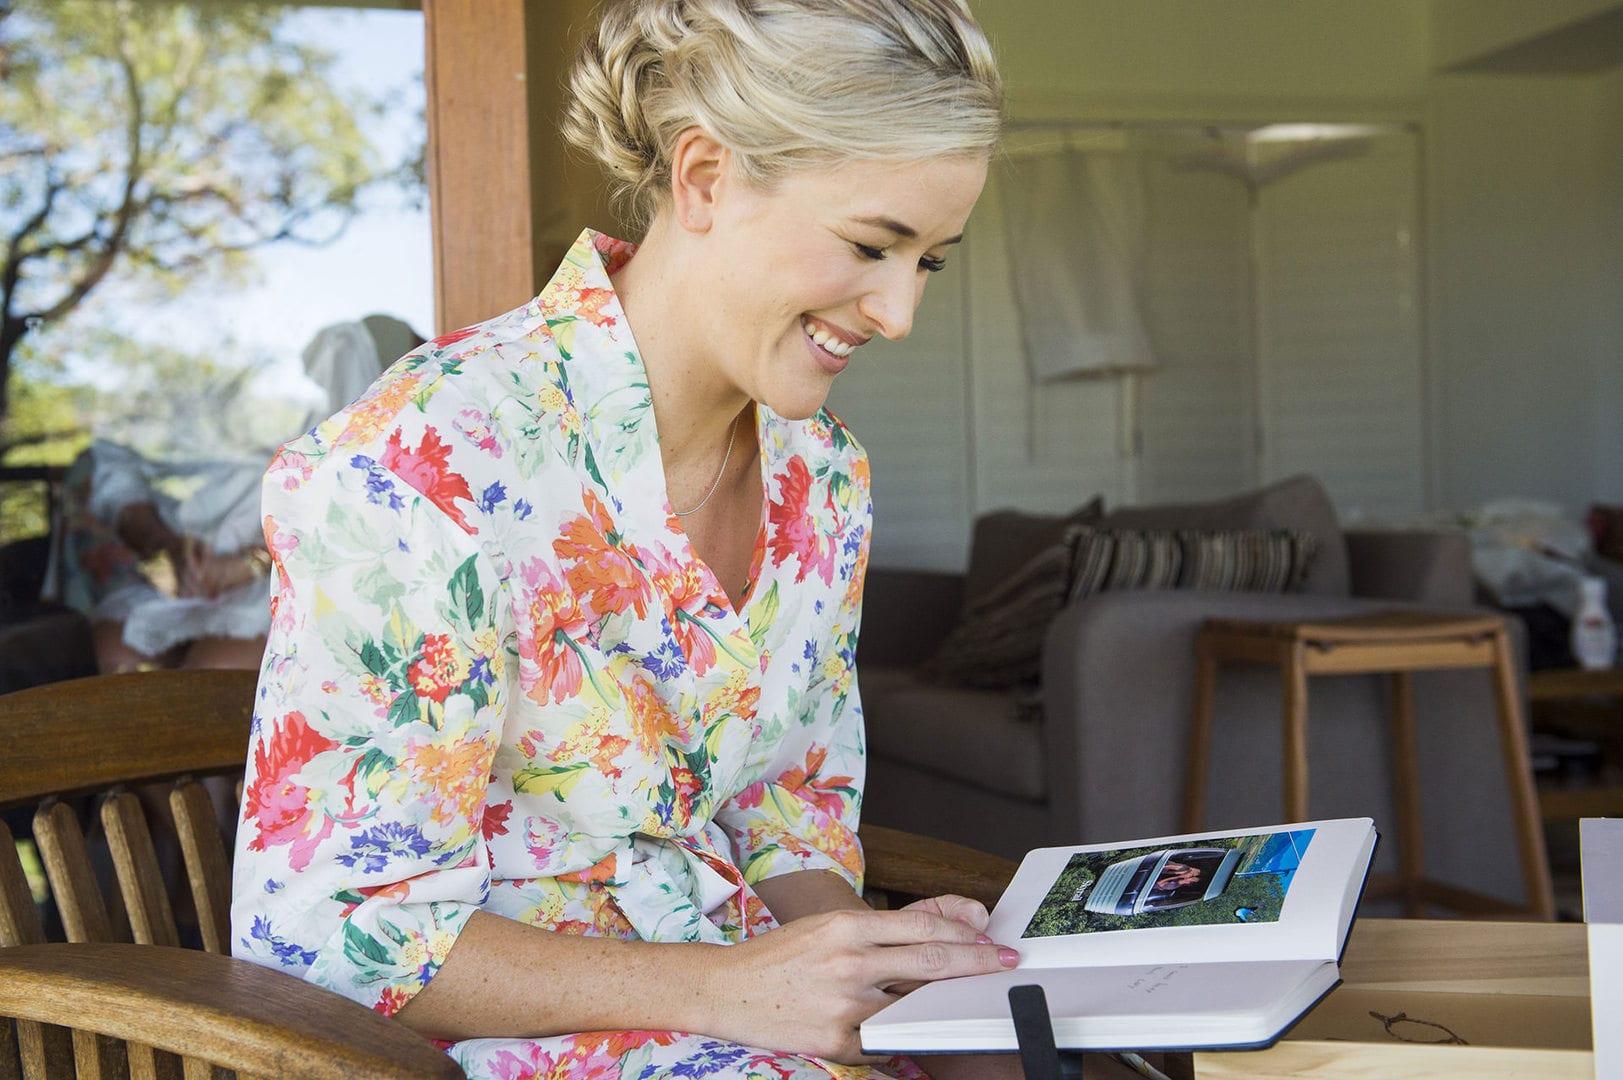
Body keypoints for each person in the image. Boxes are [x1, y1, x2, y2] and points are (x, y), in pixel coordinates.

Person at [231, 3, 1021, 1077]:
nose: (898, 311)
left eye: (928, 261)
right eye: (872, 245)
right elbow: (333, 939)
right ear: (704, 178)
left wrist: (872, 973)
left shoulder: (823, 477)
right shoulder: (422, 464)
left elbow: (789, 805)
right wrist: (745, 991)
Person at [52, 315, 420, 674]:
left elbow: (349, 538)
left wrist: (252, 564)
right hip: (210, 577)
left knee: (211, 669)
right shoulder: (227, 429)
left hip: (300, 586)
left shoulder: (384, 455)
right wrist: (174, 549)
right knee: (120, 653)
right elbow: (120, 465)